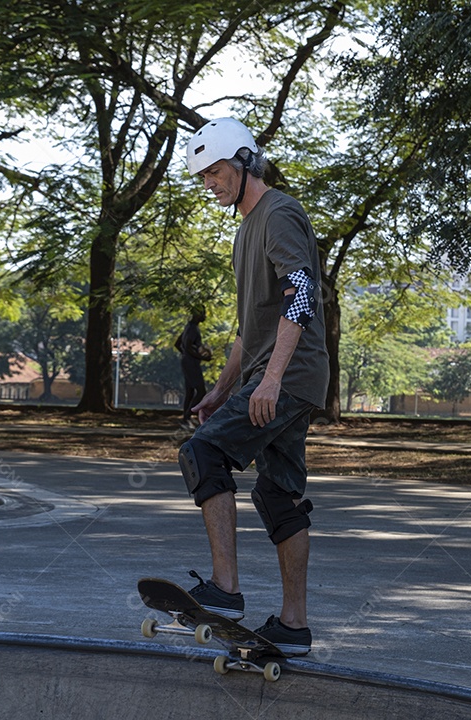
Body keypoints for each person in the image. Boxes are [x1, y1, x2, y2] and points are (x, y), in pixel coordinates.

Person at [176, 117, 329, 657]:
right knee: (277, 493)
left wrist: (269, 379)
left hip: (286, 377)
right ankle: (292, 628)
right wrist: (221, 390)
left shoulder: (279, 212)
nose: (209, 184)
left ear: (244, 162)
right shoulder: (246, 229)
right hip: (285, 377)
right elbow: (249, 327)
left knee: (202, 452)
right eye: (202, 178)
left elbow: (302, 296)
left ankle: (225, 592)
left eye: (215, 172)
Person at [175, 308, 210, 428]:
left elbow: (178, 344)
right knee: (201, 391)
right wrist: (200, 357)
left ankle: (186, 419)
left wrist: (186, 355)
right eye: (202, 313)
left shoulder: (188, 327)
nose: (205, 315)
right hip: (191, 363)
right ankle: (189, 414)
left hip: (187, 361)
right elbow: (189, 347)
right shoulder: (193, 329)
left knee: (190, 391)